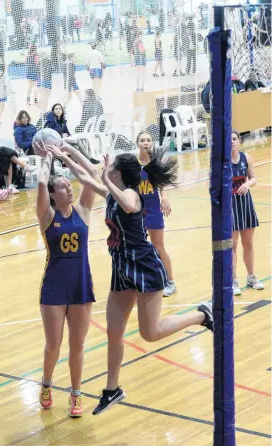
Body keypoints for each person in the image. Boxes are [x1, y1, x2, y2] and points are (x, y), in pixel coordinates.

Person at [46, 145, 213, 416]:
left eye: (109, 169)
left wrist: (103, 182)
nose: (104, 171)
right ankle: (112, 389)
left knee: (150, 333)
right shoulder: (112, 192)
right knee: (114, 330)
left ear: (118, 173)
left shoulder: (131, 194)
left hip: (144, 267)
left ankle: (201, 316)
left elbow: (127, 203)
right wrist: (65, 155)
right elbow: (84, 175)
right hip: (122, 268)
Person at [35, 140, 98, 417]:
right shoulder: (46, 215)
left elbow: (92, 177)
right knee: (54, 345)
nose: (69, 187)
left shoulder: (82, 211)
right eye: (62, 186)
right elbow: (39, 185)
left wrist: (70, 153)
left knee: (77, 345)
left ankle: (76, 394)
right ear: (52, 194)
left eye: (68, 184)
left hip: (81, 285)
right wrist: (48, 159)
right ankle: (46, 384)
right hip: (54, 289)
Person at [136, 132, 176, 296]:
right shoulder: (132, 163)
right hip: (137, 211)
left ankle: (171, 282)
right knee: (139, 248)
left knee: (158, 246)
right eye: (142, 140)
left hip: (153, 209)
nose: (146, 142)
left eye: (148, 140)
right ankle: (144, 281)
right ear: (137, 143)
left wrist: (164, 197)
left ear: (152, 143)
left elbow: (163, 183)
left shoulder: (156, 162)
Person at [231, 130, 264, 295]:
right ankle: (233, 280)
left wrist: (248, 184)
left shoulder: (246, 158)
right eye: (229, 139)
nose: (232, 142)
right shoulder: (222, 162)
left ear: (239, 141)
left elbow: (254, 178)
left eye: (235, 139)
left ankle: (251, 277)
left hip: (245, 204)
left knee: (248, 243)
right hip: (230, 207)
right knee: (232, 246)